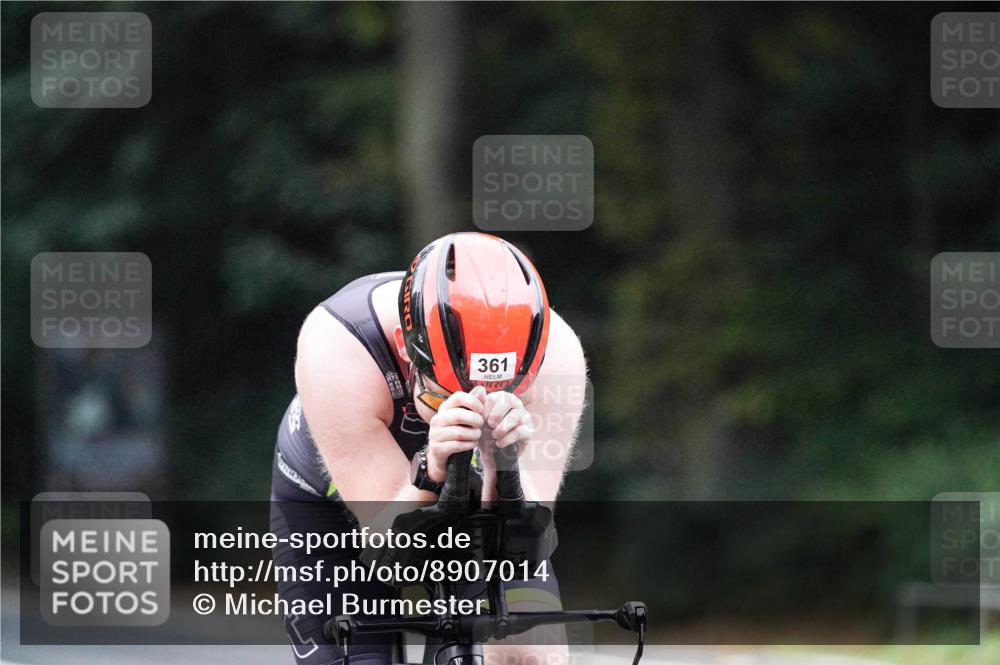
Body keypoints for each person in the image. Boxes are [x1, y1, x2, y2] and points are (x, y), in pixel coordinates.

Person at [270, 232, 588, 665]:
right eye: (446, 396)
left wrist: (501, 467)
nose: (472, 408)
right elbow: (386, 548)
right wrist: (430, 469)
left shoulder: (557, 357)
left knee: (528, 653)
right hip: (339, 505)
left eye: (498, 394)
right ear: (405, 347)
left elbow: (524, 541)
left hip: (469, 499)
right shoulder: (339, 344)